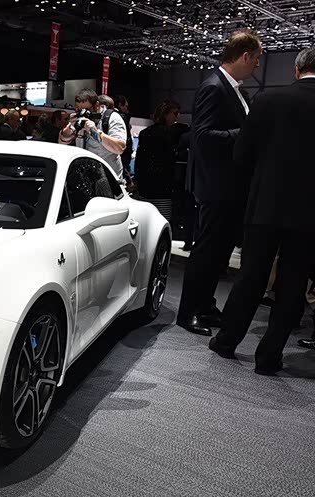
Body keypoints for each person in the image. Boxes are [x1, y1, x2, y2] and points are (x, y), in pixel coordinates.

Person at [207, 47, 315, 375]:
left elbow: (241, 154)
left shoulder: (268, 100)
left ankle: (227, 341)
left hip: (265, 204)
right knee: (294, 284)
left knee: (251, 275)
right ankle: (268, 358)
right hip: (309, 214)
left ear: (296, 70)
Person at [176, 30, 263, 336]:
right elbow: (201, 138)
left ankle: (205, 305)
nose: (257, 66)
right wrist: (246, 133)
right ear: (245, 56)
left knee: (219, 253)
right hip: (216, 187)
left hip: (231, 188)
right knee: (206, 252)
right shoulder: (213, 87)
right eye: (256, 59)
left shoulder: (236, 91)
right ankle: (188, 312)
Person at [59, 89, 127, 179]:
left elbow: (120, 148)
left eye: (87, 110)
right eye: (79, 110)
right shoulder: (79, 118)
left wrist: (97, 132)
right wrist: (70, 127)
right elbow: (62, 142)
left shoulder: (112, 118)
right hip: (85, 177)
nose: (83, 113)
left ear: (97, 105)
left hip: (108, 178)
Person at [134, 100, 181, 199]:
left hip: (146, 183)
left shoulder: (144, 133)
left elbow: (139, 159)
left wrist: (137, 179)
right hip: (164, 184)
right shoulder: (171, 134)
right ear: (165, 114)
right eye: (175, 113)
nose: (178, 117)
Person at [114, 95, 134, 178]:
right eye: (125, 106)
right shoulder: (121, 117)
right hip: (122, 153)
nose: (127, 109)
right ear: (119, 105)